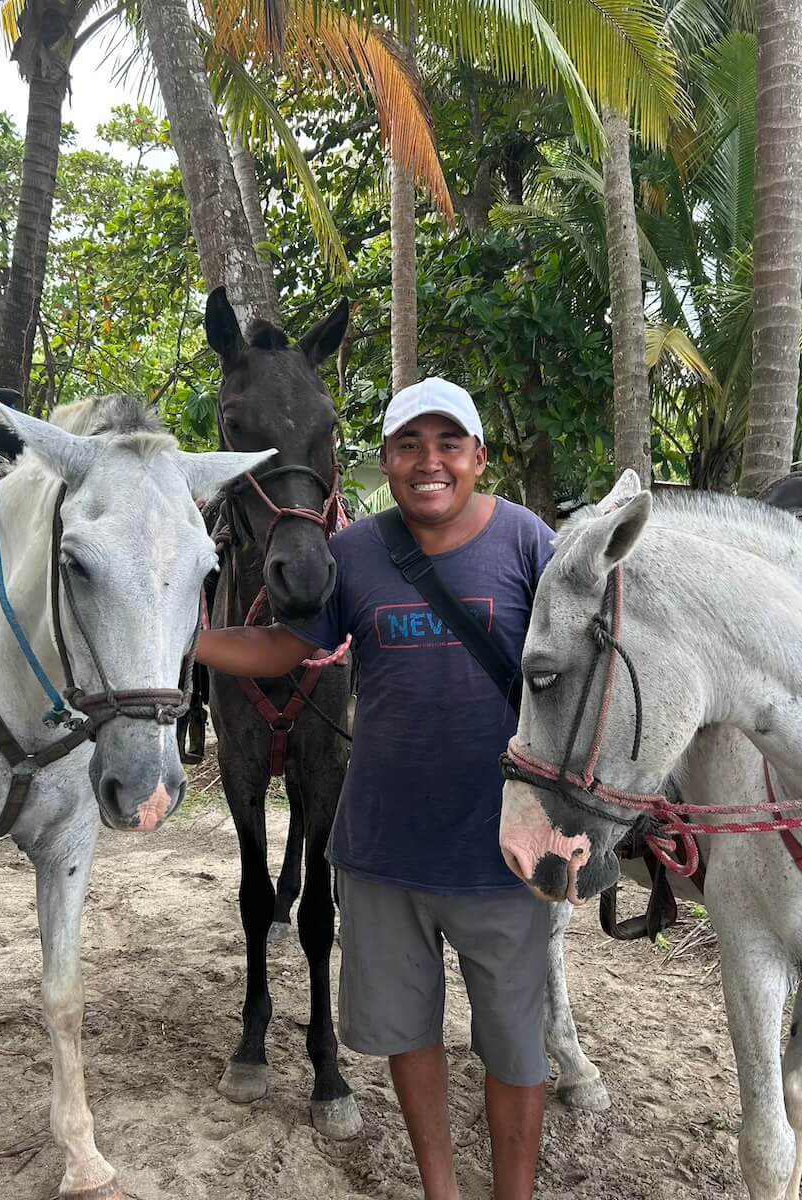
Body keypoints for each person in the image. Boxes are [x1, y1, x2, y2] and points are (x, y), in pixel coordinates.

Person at [195, 376, 555, 1200]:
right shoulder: (354, 554)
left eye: (448, 445)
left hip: (501, 848)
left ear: (477, 456)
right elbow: (286, 651)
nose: (430, 462)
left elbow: (581, 677)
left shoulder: (529, 542)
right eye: (409, 447)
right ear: (383, 462)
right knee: (408, 1033)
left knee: (515, 1047)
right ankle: (440, 1191)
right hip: (382, 849)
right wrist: (181, 639)